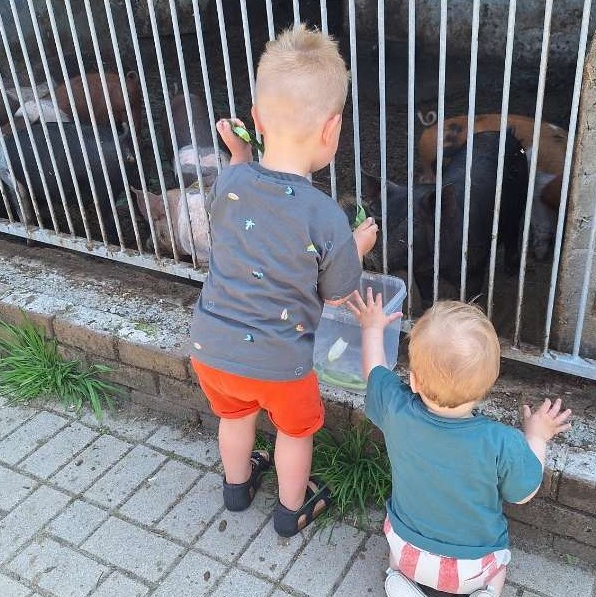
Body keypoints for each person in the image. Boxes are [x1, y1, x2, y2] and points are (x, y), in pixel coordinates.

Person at [188, 23, 379, 538]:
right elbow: (336, 293)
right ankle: (292, 508)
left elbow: (244, 211)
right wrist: (354, 248)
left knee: (235, 417)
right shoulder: (325, 217)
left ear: (256, 119)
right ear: (332, 130)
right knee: (294, 432)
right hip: (280, 363)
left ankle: (236, 487)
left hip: (211, 347)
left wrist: (238, 153)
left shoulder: (230, 180)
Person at [347, 292, 572, 596]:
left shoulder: (395, 407)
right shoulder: (500, 441)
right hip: (473, 567)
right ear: (487, 387)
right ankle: (487, 591)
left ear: (414, 380)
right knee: (499, 569)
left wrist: (372, 327)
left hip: (408, 550)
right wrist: (538, 436)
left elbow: (374, 371)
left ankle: (401, 579)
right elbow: (523, 494)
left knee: (399, 553)